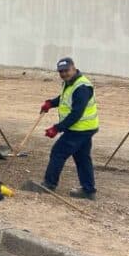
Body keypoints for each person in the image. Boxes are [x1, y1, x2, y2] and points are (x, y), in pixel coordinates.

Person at [36, 57, 99, 199]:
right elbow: (64, 98)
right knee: (82, 158)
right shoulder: (71, 83)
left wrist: (57, 128)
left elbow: (76, 113)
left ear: (74, 68)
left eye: (66, 70)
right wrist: (50, 103)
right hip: (84, 128)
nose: (64, 74)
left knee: (58, 152)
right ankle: (89, 190)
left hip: (80, 129)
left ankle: (49, 184)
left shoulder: (82, 87)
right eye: (61, 72)